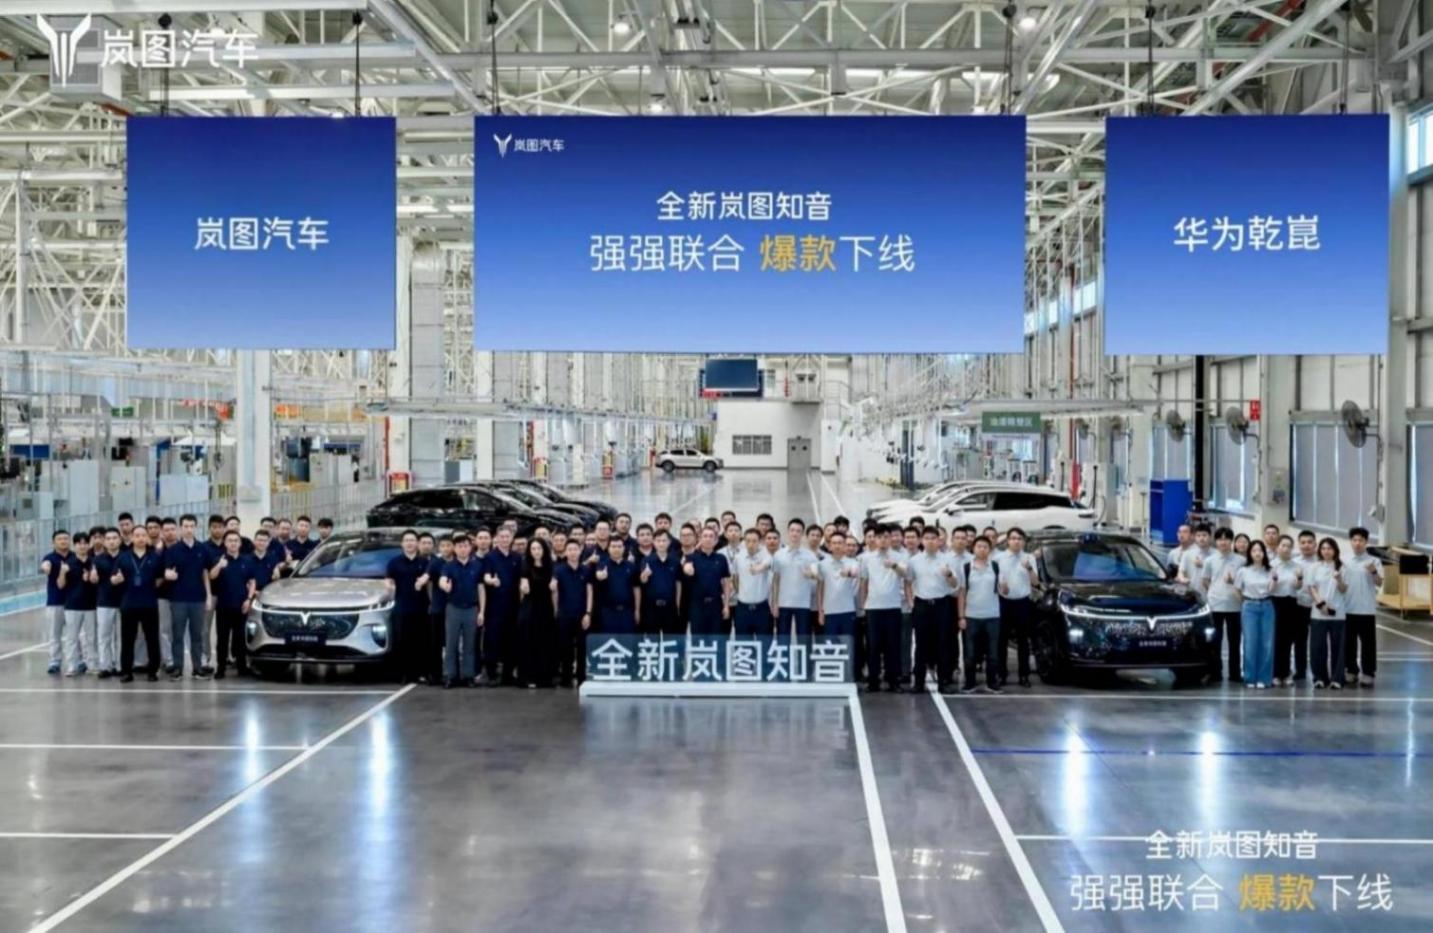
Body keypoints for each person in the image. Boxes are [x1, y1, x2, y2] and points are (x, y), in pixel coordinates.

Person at [908, 526, 957, 693]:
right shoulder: (914, 560)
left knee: (943, 644)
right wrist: (911, 602)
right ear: (922, 541)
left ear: (939, 541)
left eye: (933, 538)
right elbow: (908, 582)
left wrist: (949, 574)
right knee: (921, 644)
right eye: (927, 538)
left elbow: (955, 584)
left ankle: (943, 682)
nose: (930, 541)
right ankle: (918, 682)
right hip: (921, 604)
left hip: (942, 605)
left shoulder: (947, 559)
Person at [859, 526, 907, 693]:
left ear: (890, 538)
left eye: (886, 537)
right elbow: (864, 582)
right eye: (879, 537)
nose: (882, 540)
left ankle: (893, 680)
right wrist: (863, 604)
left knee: (892, 646)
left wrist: (894, 565)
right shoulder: (867, 558)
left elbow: (904, 574)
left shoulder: (899, 557)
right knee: (873, 646)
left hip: (893, 607)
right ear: (874, 539)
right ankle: (873, 680)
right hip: (873, 608)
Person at [162, 514, 211, 680]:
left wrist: (208, 596)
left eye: (192, 526)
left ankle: (198, 668)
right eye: (186, 526)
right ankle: (178, 668)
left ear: (196, 527)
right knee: (177, 635)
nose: (189, 529)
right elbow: (166, 571)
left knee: (197, 636)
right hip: (178, 600)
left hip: (198, 599)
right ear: (180, 528)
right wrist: (168, 575)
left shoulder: (203, 549)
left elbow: (205, 573)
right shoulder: (173, 550)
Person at [208, 530, 257, 679]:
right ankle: (221, 668)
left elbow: (252, 581)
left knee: (240, 639)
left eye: (236, 540)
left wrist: (249, 599)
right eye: (230, 540)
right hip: (223, 606)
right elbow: (211, 576)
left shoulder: (247, 561)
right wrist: (219, 566)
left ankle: (242, 667)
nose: (233, 543)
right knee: (222, 639)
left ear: (240, 543)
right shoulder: (219, 559)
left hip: (241, 606)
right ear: (225, 543)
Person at [116, 526, 163, 683]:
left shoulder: (155, 557)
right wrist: (115, 579)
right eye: (137, 535)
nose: (140, 538)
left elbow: (160, 577)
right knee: (128, 640)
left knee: (152, 639)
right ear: (132, 538)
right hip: (128, 604)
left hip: (149, 604)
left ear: (148, 538)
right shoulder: (123, 557)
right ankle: (126, 672)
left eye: (143, 535)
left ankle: (153, 671)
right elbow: (114, 576)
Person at [385, 530, 432, 685]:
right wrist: (389, 589)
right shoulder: (394, 562)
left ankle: (421, 673)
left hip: (421, 607)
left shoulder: (425, 562)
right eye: (406, 540)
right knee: (403, 641)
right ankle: (404, 673)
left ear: (417, 543)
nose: (410, 543)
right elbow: (389, 582)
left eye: (412, 540)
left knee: (421, 641)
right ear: (402, 544)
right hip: (402, 607)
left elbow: (429, 583)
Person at [994, 527, 1039, 688]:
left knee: (1023, 641)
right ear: (1007, 541)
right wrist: (1001, 587)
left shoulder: (1029, 558)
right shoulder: (998, 558)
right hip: (1003, 602)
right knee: (1001, 640)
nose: (1016, 541)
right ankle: (1001, 674)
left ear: (1024, 541)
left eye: (1019, 538)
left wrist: (1029, 568)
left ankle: (1024, 675)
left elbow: (1035, 582)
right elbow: (995, 580)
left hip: (1023, 603)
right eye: (1013, 538)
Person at [1200, 528, 1245, 684]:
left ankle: (1235, 673)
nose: (1223, 542)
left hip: (1235, 605)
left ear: (1231, 541)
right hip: (1215, 605)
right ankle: (1215, 672)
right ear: (1216, 541)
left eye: (1226, 539)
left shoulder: (1241, 560)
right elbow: (1205, 580)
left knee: (1235, 641)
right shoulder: (1210, 560)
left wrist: (1233, 584)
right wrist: (1215, 592)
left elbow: (1244, 583)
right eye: (1220, 539)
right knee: (1215, 641)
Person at [959, 536, 1003, 694]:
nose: (982, 549)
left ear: (990, 550)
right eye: (979, 546)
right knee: (970, 653)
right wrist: (961, 616)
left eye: (985, 547)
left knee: (993, 653)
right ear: (973, 548)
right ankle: (970, 682)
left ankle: (992, 682)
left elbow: (1003, 590)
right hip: (971, 616)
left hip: (992, 616)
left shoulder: (995, 567)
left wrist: (1005, 587)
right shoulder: (966, 567)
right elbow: (962, 593)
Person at [439, 533, 483, 688]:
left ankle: (468, 676)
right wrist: (445, 586)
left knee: (469, 645)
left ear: (470, 548)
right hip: (453, 608)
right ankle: (450, 676)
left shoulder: (477, 566)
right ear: (454, 548)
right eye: (459, 546)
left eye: (465, 546)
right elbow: (442, 580)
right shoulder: (449, 566)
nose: (463, 549)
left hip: (472, 609)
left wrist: (481, 611)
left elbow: (481, 589)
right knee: (451, 643)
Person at [481, 527, 523, 685]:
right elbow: (486, 576)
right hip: (494, 606)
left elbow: (521, 578)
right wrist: (491, 581)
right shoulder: (490, 557)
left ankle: (508, 674)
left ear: (512, 538)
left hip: (513, 605)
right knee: (492, 640)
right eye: (502, 536)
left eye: (507, 536)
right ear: (497, 538)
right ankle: (491, 674)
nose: (505, 539)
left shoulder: (517, 557)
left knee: (511, 641)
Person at [1342, 527, 1381, 688]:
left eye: (1361, 540)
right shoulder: (1343, 560)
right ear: (1351, 541)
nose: (1357, 543)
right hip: (1347, 608)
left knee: (1368, 644)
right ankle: (1351, 670)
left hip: (1366, 609)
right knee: (1348, 643)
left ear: (1366, 542)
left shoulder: (1374, 561)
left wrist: (1374, 572)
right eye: (1355, 540)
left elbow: (1380, 583)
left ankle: (1368, 673)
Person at [1307, 537, 1349, 690]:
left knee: (1338, 647)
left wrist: (1339, 579)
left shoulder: (1342, 567)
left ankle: (1337, 678)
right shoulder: (1314, 567)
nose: (1326, 551)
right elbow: (1311, 587)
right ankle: (1319, 678)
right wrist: (1321, 605)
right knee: (1317, 646)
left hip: (1338, 613)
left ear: (1335, 550)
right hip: (1318, 613)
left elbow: (1344, 589)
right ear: (1320, 550)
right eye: (1323, 548)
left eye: (1329, 548)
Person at [1235, 540, 1276, 689]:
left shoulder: (1270, 570)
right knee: (1250, 642)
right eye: (1254, 550)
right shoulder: (1243, 571)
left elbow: (1271, 590)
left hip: (1267, 605)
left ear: (1264, 553)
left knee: (1267, 643)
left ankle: (1264, 678)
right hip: (1249, 607)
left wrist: (1274, 579)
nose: (1257, 553)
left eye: (1260, 550)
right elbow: (1237, 589)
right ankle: (1250, 677)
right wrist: (1245, 603)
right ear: (1250, 553)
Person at [552, 539, 593, 687]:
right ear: (565, 552)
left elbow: (589, 592)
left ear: (580, 550)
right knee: (565, 648)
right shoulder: (558, 570)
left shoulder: (586, 570)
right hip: (564, 614)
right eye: (569, 549)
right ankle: (566, 679)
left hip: (582, 614)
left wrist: (588, 613)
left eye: (575, 549)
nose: (573, 552)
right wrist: (556, 611)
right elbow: (555, 593)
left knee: (582, 648)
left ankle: (582, 677)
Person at [518, 538, 557, 688]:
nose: (536, 551)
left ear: (544, 550)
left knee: (545, 642)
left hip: (546, 608)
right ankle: (528, 677)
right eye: (533, 549)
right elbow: (523, 585)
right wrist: (524, 588)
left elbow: (554, 590)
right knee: (529, 642)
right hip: (530, 607)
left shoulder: (551, 566)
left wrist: (555, 609)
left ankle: (544, 678)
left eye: (539, 548)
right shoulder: (525, 566)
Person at [59, 532, 99, 677]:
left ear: (89, 545)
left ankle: (92, 665)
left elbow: (98, 582)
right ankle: (72, 666)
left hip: (90, 605)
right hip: (72, 606)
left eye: (85, 543)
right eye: (79, 543)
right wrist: (63, 572)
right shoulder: (68, 563)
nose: (82, 546)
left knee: (91, 637)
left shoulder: (94, 562)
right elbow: (60, 585)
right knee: (72, 638)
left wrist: (93, 578)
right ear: (74, 545)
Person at [772, 519, 819, 639]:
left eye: (798, 531)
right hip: (783, 603)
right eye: (792, 530)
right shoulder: (778, 555)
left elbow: (816, 573)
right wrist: (775, 603)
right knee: (783, 639)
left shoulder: (810, 555)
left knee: (804, 639)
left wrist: (811, 574)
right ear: (788, 532)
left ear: (802, 534)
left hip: (803, 603)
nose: (795, 533)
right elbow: (776, 580)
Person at [683, 527, 731, 635]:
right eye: (705, 536)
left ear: (716, 540)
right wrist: (687, 569)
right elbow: (686, 568)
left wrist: (726, 605)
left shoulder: (721, 558)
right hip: (697, 606)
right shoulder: (691, 558)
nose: (708, 539)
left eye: (711, 536)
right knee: (697, 638)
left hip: (716, 605)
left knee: (716, 638)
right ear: (700, 539)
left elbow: (726, 583)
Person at [1270, 534, 1304, 687]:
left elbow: (1298, 587)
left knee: (1288, 640)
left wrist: (1299, 579)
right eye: (1283, 545)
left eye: (1289, 546)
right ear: (1277, 547)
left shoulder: (1296, 566)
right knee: (1276, 639)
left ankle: (1286, 672)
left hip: (1291, 604)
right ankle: (1275, 673)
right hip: (1275, 603)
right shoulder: (1271, 565)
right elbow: (1269, 588)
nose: (1286, 549)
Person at [814, 532, 860, 642]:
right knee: (831, 647)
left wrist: (848, 573)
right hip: (829, 612)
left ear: (844, 545)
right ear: (829, 546)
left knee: (848, 645)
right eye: (834, 543)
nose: (837, 546)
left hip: (847, 611)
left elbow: (855, 573)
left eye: (840, 543)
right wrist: (820, 611)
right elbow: (820, 589)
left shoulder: (853, 562)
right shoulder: (822, 564)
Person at [92, 528, 124, 678]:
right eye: (109, 539)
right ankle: (105, 666)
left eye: (114, 538)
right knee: (104, 636)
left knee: (121, 637)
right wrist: (93, 577)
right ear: (104, 542)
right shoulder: (97, 560)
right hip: (104, 602)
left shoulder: (126, 557)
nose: (112, 541)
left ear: (120, 540)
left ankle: (120, 666)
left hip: (123, 602)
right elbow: (94, 578)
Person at [40, 530, 73, 675]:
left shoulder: (74, 557)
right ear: (53, 542)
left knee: (75, 635)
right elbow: (45, 565)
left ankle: (77, 661)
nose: (63, 541)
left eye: (66, 538)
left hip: (73, 602)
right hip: (55, 601)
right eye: (60, 539)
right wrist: (45, 568)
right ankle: (55, 661)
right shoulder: (50, 558)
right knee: (54, 634)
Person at [639, 528, 684, 637]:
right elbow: (643, 581)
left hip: (670, 607)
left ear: (669, 542)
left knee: (670, 640)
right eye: (658, 540)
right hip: (651, 607)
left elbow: (678, 583)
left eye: (664, 540)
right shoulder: (647, 560)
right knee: (652, 639)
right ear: (653, 542)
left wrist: (677, 604)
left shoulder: (675, 560)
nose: (661, 543)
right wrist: (644, 575)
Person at [732, 528, 775, 637]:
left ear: (760, 542)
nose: (751, 544)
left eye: (754, 541)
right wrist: (739, 591)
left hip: (762, 608)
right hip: (743, 608)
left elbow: (765, 565)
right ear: (744, 542)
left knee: (765, 642)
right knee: (743, 643)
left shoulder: (767, 556)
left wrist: (757, 569)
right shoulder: (738, 557)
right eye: (748, 541)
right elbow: (735, 578)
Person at [593, 537, 640, 635]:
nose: (616, 549)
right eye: (613, 546)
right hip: (608, 612)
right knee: (609, 640)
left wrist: (637, 610)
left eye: (619, 546)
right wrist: (600, 576)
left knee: (627, 641)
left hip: (627, 612)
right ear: (609, 548)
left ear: (624, 548)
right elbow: (598, 575)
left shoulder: (631, 566)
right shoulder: (602, 565)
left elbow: (636, 589)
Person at [1290, 530, 1319, 684]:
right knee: (1299, 640)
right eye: (1303, 542)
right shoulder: (1293, 562)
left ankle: (1318, 672)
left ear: (1315, 544)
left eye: (1309, 542)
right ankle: (1300, 671)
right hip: (1298, 606)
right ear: (1299, 544)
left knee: (1317, 641)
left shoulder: (1321, 562)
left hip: (1317, 606)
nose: (1306, 545)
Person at [424, 535, 454, 685]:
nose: (446, 548)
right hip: (438, 608)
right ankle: (435, 674)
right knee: (436, 643)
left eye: (449, 545)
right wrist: (432, 602)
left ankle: (451, 673)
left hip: (454, 608)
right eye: (443, 546)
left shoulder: (457, 562)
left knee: (451, 642)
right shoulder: (435, 563)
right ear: (439, 548)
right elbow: (428, 583)